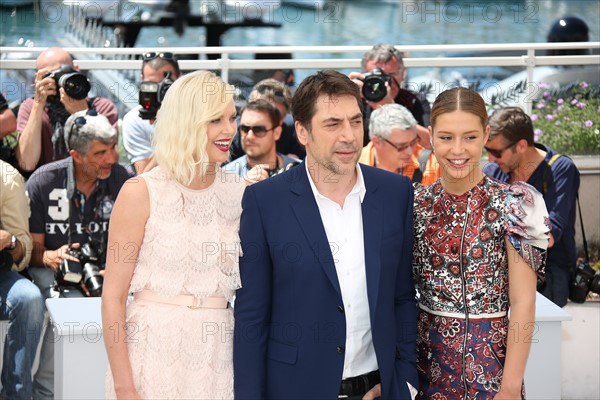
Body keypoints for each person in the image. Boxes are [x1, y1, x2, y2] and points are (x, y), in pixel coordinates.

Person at [234, 70, 418, 399]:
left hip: (378, 389)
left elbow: (403, 297)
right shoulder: (265, 202)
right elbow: (251, 316)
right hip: (293, 389)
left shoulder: (395, 193)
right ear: (302, 131)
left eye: (355, 121)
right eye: (333, 124)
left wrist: (403, 380)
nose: (349, 136)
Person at [103, 70, 245, 399]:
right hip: (151, 357)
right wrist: (125, 386)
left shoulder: (244, 195)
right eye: (215, 120)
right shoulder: (139, 193)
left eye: (231, 118)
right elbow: (113, 298)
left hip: (217, 357)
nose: (229, 130)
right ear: (187, 122)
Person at [413, 88, 551, 399]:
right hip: (425, 375)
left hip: (491, 377)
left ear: (486, 135)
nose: (457, 149)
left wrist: (511, 387)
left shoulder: (517, 204)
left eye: (470, 137)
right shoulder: (415, 204)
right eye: (446, 137)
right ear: (431, 136)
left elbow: (523, 302)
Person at [26, 110, 129, 400]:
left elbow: (138, 243)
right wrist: (50, 256)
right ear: (76, 155)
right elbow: (32, 249)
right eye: (100, 153)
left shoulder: (124, 180)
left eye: (112, 149)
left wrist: (115, 270)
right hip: (55, 275)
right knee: (67, 304)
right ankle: (46, 392)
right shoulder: (44, 181)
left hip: (108, 274)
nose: (111, 158)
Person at [484, 106, 580, 307]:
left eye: (496, 152)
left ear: (521, 145)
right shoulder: (494, 171)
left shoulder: (559, 169)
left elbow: (548, 237)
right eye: (487, 150)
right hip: (503, 270)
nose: (490, 158)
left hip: (548, 272)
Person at [15, 47, 118, 174]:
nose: (59, 82)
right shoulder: (30, 108)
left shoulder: (101, 107)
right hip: (47, 185)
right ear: (38, 79)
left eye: (64, 73)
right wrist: (38, 104)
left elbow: (106, 159)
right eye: (51, 76)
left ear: (76, 70)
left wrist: (83, 114)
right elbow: (27, 163)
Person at [0, 160, 45, 400]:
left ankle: (15, 394)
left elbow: (24, 249)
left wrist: (9, 241)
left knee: (29, 298)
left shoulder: (6, 175)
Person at [349, 43, 431, 147]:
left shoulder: (414, 101)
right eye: (377, 76)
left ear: (403, 74)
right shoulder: (355, 101)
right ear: (363, 75)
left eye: (392, 75)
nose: (386, 82)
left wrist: (391, 108)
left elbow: (431, 144)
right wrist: (343, 95)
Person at [122, 52, 182, 174]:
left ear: (180, 79)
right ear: (142, 79)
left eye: (166, 85)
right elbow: (144, 176)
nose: (160, 90)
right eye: (152, 85)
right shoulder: (135, 120)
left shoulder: (197, 112)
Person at [359, 103, 441, 185]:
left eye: (413, 142)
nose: (409, 152)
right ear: (377, 142)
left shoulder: (430, 166)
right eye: (402, 146)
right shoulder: (354, 167)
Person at [229, 78, 305, 161]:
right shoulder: (231, 132)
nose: (251, 136)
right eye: (245, 129)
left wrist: (295, 164)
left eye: (274, 115)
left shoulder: (294, 132)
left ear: (282, 119)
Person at [224, 99, 300, 178]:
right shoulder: (225, 177)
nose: (250, 136)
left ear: (276, 133)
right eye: (244, 129)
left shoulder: (302, 172)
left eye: (259, 130)